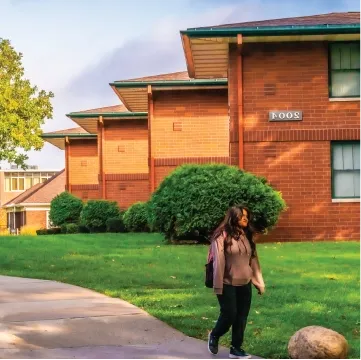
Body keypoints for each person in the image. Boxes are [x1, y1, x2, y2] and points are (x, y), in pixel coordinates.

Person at [207, 205, 265, 359]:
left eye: (247, 215)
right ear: (233, 217)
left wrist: (258, 282)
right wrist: (218, 284)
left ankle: (236, 348)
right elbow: (218, 262)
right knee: (229, 314)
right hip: (227, 282)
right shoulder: (221, 235)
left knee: (242, 317)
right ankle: (214, 334)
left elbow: (253, 260)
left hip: (245, 283)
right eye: (242, 216)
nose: (245, 218)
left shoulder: (247, 236)